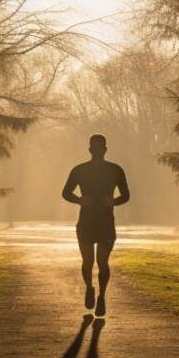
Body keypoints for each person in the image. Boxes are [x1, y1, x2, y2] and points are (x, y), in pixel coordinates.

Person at [61, 134, 130, 317]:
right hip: (86, 222)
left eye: (101, 148)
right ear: (90, 150)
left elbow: (126, 195)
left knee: (102, 262)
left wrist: (113, 202)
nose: (98, 151)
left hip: (106, 222)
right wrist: (80, 200)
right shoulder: (79, 170)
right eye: (95, 148)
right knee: (88, 262)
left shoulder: (115, 170)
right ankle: (90, 288)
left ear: (105, 150)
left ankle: (102, 297)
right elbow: (66, 192)